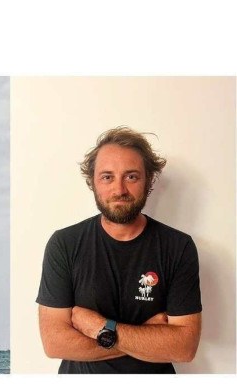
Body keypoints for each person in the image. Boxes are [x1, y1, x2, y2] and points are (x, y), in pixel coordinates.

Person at [36, 126, 202, 373]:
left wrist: (99, 327)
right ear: (92, 181)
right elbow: (54, 343)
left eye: (131, 176)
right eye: (107, 177)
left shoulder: (178, 247)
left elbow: (184, 348)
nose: (119, 190)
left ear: (149, 181)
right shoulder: (65, 244)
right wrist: (147, 336)